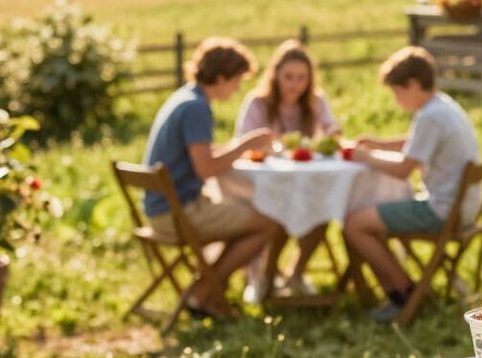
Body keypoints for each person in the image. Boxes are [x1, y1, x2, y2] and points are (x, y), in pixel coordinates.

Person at [141, 37, 285, 320]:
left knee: (248, 215)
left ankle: (209, 289)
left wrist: (234, 150)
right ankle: (205, 291)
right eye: (237, 81)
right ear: (221, 77)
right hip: (178, 214)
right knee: (269, 222)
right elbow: (206, 169)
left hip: (159, 208)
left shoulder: (184, 97)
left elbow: (199, 154)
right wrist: (244, 145)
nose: (237, 88)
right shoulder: (197, 108)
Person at [343, 46, 481, 323]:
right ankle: (397, 287)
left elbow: (404, 169)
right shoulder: (443, 106)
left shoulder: (430, 116)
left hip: (440, 211)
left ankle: (405, 291)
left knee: (354, 224)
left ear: (414, 85)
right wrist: (379, 144)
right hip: (462, 209)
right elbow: (416, 145)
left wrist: (365, 157)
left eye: (397, 92)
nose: (397, 100)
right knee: (369, 219)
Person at [231, 40, 343, 298]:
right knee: (278, 211)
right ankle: (266, 276)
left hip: (304, 181)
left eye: (302, 78)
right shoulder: (258, 103)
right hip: (263, 184)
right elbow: (245, 145)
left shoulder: (315, 101)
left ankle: (296, 273)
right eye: (289, 77)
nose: (295, 84)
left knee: (323, 211)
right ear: (275, 76)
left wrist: (331, 134)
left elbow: (332, 129)